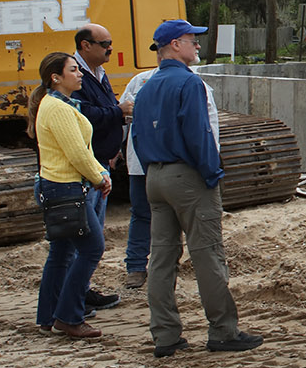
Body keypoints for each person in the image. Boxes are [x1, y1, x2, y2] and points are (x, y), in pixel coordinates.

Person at [134, 18, 262, 358]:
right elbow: (198, 133)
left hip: (155, 176)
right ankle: (223, 329)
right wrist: (211, 172)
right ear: (175, 45)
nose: (197, 46)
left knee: (161, 257)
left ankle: (165, 335)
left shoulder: (145, 87)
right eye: (192, 40)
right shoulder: (189, 84)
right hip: (187, 176)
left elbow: (137, 135)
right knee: (207, 253)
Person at [28, 50, 113, 340]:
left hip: (58, 185)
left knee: (62, 252)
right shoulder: (59, 109)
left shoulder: (54, 105)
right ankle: (69, 316)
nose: (79, 74)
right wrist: (99, 176)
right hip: (66, 186)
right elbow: (76, 152)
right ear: (56, 77)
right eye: (73, 70)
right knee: (92, 247)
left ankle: (49, 315)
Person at [118, 50, 220, 291]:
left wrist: (211, 161)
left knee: (169, 230)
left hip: (163, 167)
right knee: (143, 215)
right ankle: (136, 265)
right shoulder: (142, 82)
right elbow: (124, 116)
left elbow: (208, 127)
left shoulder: (195, 84)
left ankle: (162, 276)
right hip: (151, 166)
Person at [70, 24, 124, 314]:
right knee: (85, 238)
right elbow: (85, 116)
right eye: (104, 44)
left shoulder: (99, 75)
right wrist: (118, 112)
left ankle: (81, 290)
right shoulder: (76, 80)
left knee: (92, 234)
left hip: (101, 162)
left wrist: (112, 149)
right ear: (84, 45)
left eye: (110, 43)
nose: (109, 49)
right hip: (89, 169)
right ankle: (73, 297)